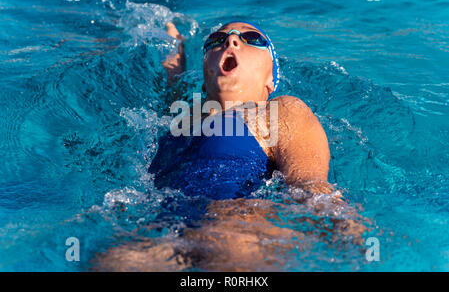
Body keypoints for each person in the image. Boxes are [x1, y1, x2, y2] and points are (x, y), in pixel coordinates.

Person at [93, 21, 366, 271]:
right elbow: (170, 91)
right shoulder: (180, 119)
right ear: (204, 74)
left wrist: (345, 226)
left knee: (226, 241)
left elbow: (308, 183)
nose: (231, 41)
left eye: (251, 38)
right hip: (167, 230)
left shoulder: (280, 111)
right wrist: (175, 47)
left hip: (238, 227)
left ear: (270, 80)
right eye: (216, 39)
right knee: (112, 262)